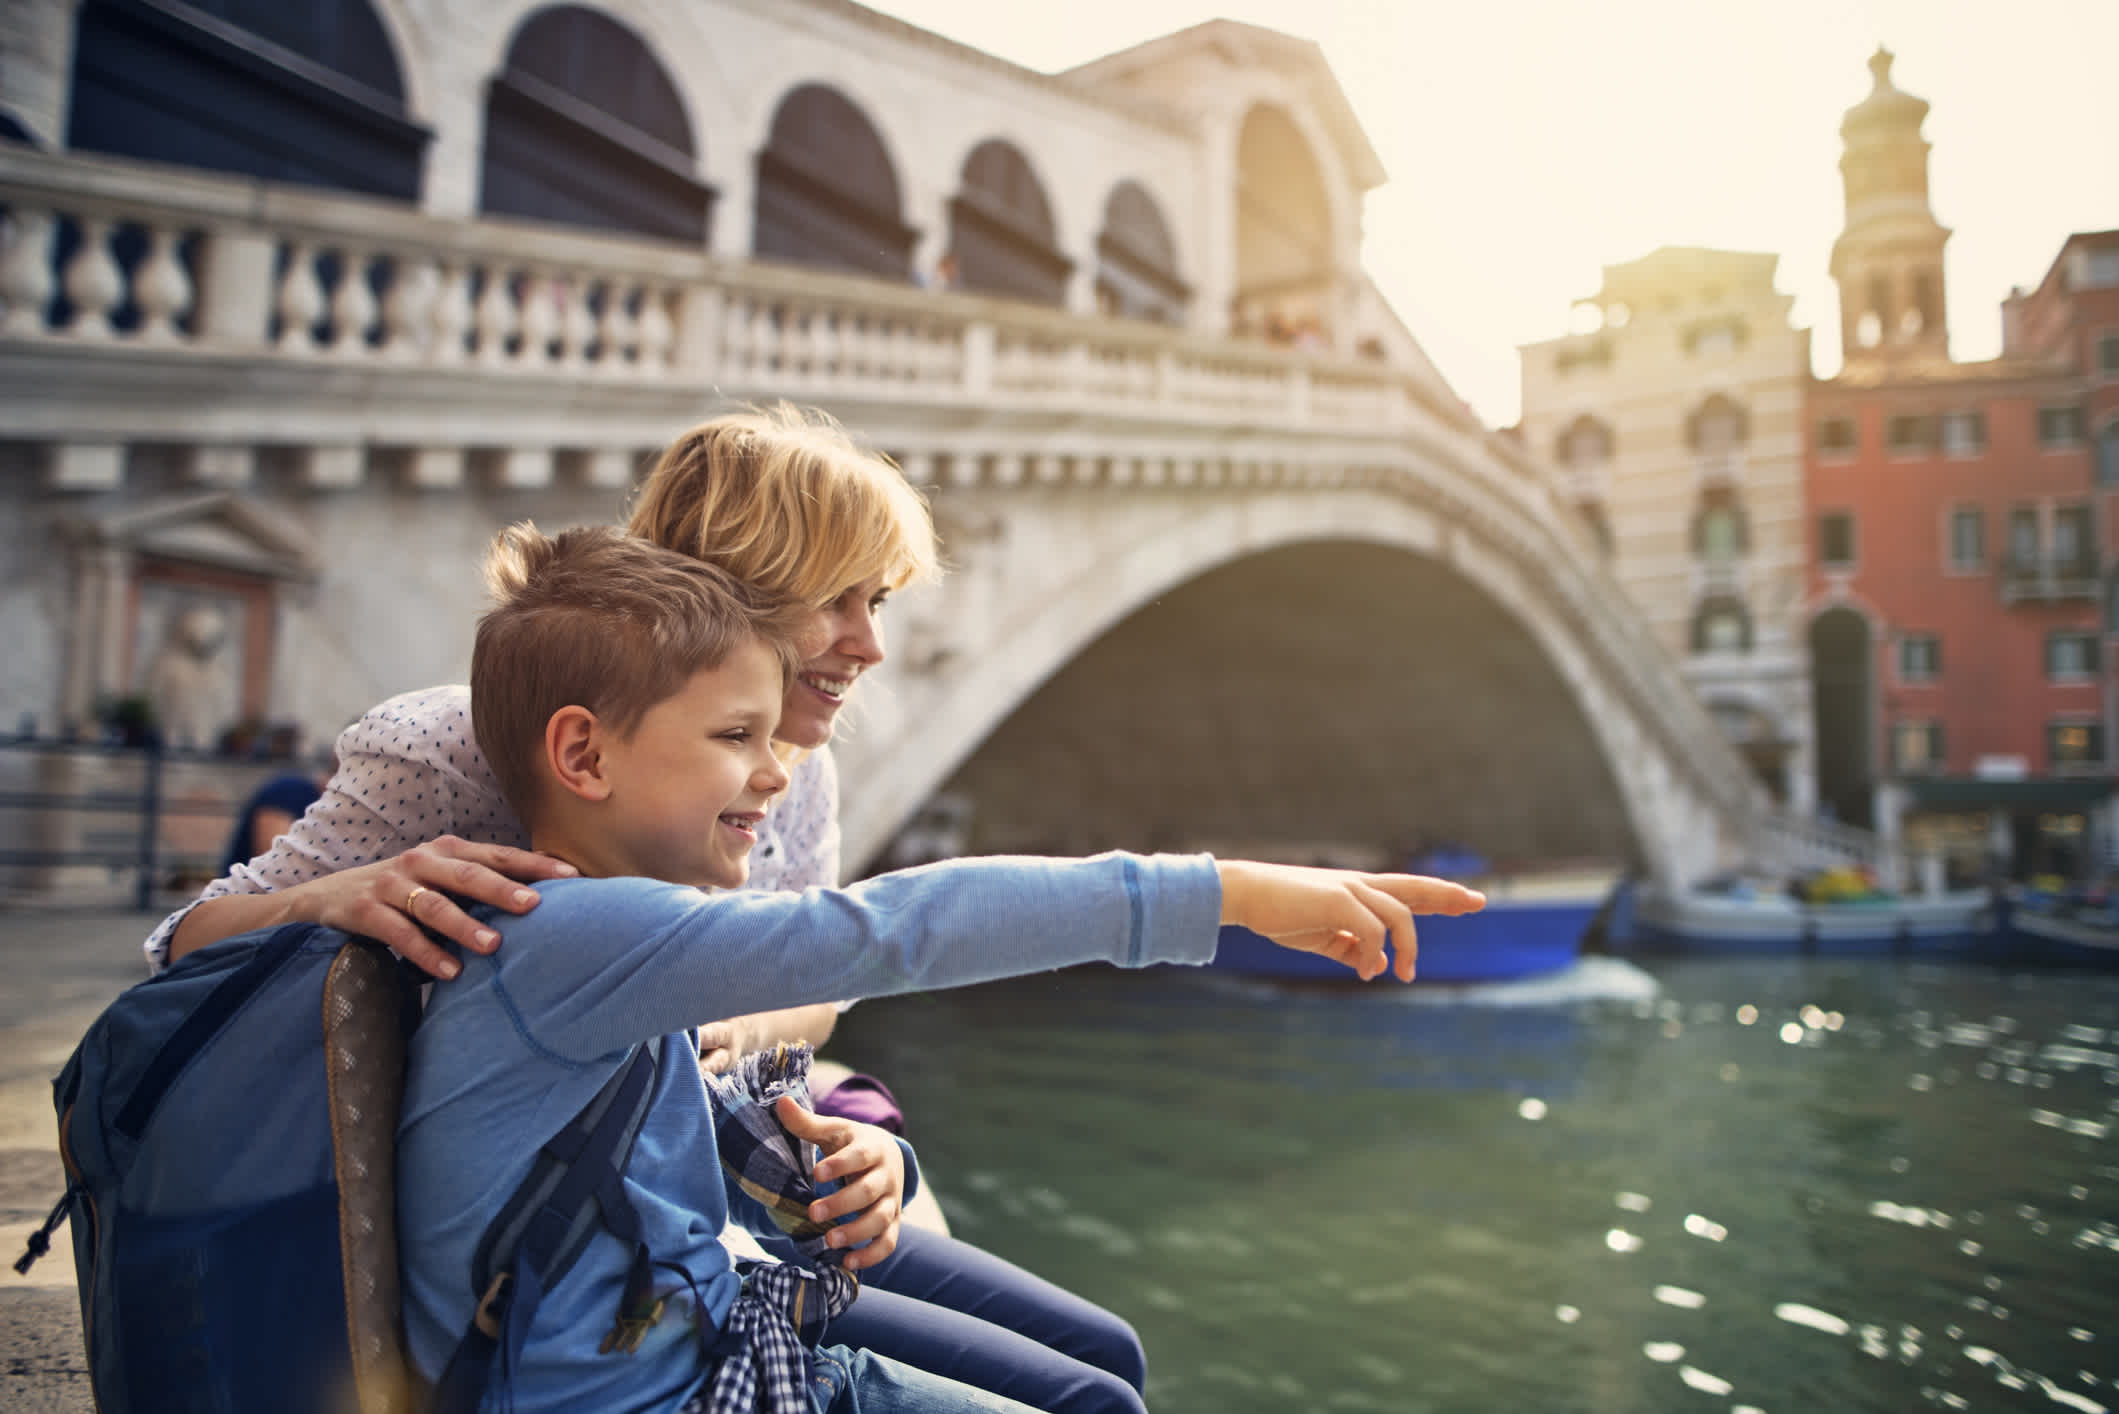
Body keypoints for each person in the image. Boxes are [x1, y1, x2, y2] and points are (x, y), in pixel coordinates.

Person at [141, 406, 1159, 1412]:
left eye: (879, 603)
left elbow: (816, 984)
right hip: (575, 1266)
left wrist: (738, 1023)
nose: (869, 646)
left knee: (1100, 1348)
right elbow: (180, 952)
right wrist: (338, 894)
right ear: (734, 588)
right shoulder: (454, 746)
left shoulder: (794, 765)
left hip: (709, 1200)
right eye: (836, 600)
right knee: (1082, 1389)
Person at [398, 522, 1483, 1413]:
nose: (774, 773)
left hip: (701, 1333)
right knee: (1100, 1397)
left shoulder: (592, 934)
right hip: (671, 1381)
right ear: (583, 755)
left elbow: (697, 1149)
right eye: (736, 736)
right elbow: (898, 926)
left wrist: (875, 1163)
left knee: (1103, 1375)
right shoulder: (581, 934)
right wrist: (1232, 894)